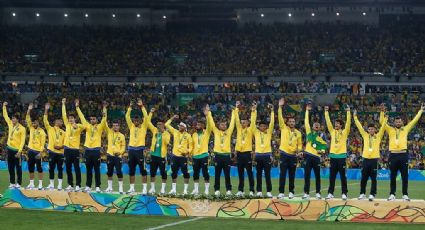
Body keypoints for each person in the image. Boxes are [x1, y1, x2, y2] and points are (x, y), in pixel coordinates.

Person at [379, 103, 424, 201]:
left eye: (399, 122)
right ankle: (392, 194)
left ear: (402, 122)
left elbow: (415, 120)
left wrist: (421, 110)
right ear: (394, 123)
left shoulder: (406, 129)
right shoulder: (390, 129)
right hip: (393, 155)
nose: (398, 123)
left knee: (404, 176)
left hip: (403, 155)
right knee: (393, 176)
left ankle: (405, 194)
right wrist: (382, 112)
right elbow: (381, 122)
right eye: (397, 122)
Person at [354, 109, 386, 201]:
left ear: (375, 130)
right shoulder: (365, 135)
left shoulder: (378, 136)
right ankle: (362, 193)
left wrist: (385, 117)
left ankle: (372, 194)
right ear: (367, 130)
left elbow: (383, 126)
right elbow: (359, 126)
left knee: (373, 179)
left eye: (372, 129)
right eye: (369, 129)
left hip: (374, 160)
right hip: (365, 160)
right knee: (363, 178)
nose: (371, 130)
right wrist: (355, 117)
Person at [76, 99, 107, 193]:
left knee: (97, 169)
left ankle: (98, 186)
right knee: (88, 169)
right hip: (88, 151)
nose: (92, 120)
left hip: (96, 150)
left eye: (94, 119)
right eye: (91, 119)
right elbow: (81, 117)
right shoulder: (87, 126)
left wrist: (105, 108)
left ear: (96, 120)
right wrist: (77, 107)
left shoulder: (100, 126)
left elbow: (104, 118)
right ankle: (88, 186)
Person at [206, 104, 236, 196]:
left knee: (227, 174)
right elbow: (211, 122)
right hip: (218, 156)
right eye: (221, 124)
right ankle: (217, 190)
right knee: (217, 174)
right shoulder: (216, 131)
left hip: (226, 156)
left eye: (224, 124)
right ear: (219, 126)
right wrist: (209, 112)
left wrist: (234, 112)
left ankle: (228, 190)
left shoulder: (229, 132)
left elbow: (232, 122)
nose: (223, 126)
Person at [277, 98, 302, 199]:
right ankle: (281, 192)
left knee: (292, 175)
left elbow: (300, 145)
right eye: (290, 121)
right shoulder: (283, 128)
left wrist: (299, 151)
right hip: (284, 154)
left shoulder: (298, 133)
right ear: (287, 123)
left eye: (293, 121)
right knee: (282, 174)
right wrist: (279, 107)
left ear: (295, 123)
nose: (291, 122)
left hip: (293, 156)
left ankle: (291, 191)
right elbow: (279, 118)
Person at [325, 104, 351, 200]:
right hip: (333, 157)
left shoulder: (344, 132)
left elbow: (348, 123)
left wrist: (348, 112)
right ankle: (330, 193)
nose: (335, 124)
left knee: (343, 177)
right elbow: (328, 122)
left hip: (341, 157)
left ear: (341, 125)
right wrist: (326, 112)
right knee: (332, 177)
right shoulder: (332, 131)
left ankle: (344, 193)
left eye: (337, 123)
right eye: (335, 123)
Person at [125, 99, 151, 194]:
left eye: (137, 120)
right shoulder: (131, 126)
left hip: (140, 150)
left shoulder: (143, 126)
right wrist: (130, 107)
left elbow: (147, 117)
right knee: (131, 170)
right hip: (131, 150)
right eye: (134, 120)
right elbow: (127, 116)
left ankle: (144, 189)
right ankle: (132, 188)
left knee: (142, 170)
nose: (136, 121)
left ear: (140, 120)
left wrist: (142, 106)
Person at [303, 103, 327, 200]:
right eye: (315, 124)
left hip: (317, 157)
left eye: (318, 125)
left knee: (317, 176)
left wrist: (321, 151)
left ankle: (318, 193)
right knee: (307, 176)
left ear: (320, 127)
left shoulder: (322, 135)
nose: (316, 125)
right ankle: (306, 193)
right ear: (312, 126)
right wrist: (307, 111)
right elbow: (306, 122)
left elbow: (324, 146)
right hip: (308, 156)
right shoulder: (309, 132)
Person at [165, 114, 193, 195]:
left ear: (184, 128)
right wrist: (172, 118)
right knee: (174, 173)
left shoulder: (188, 136)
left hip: (183, 157)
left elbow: (191, 146)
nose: (179, 127)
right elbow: (166, 124)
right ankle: (173, 189)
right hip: (174, 156)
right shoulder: (175, 132)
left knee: (185, 173)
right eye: (179, 126)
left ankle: (185, 190)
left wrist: (187, 152)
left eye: (181, 126)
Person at [252, 103, 275, 198]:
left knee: (267, 174)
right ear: (259, 127)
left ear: (266, 127)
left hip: (266, 155)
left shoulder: (268, 132)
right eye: (260, 126)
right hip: (258, 155)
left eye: (264, 126)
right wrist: (254, 111)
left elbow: (272, 122)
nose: (262, 127)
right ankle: (259, 191)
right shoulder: (256, 132)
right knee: (258, 175)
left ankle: (269, 191)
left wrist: (272, 111)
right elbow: (252, 123)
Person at [62, 98, 85, 191]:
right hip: (67, 149)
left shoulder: (79, 126)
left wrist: (77, 125)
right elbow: (63, 115)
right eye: (69, 118)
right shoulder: (67, 125)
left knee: (76, 168)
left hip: (75, 150)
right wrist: (63, 104)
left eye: (72, 118)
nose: (70, 119)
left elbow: (85, 126)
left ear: (75, 119)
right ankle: (70, 184)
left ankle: (78, 185)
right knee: (68, 168)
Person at [3, 102, 26, 189]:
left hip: (17, 151)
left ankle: (19, 184)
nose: (12, 120)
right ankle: (12, 183)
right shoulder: (10, 124)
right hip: (9, 149)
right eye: (12, 118)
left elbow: (22, 141)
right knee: (10, 167)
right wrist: (4, 106)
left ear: (17, 120)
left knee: (18, 167)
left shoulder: (22, 129)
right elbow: (5, 116)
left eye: (14, 118)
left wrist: (20, 151)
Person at [147, 108, 170, 195]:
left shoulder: (167, 134)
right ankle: (152, 188)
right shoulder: (154, 130)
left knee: (163, 173)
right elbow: (148, 122)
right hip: (153, 155)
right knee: (152, 172)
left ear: (163, 125)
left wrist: (163, 132)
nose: (158, 126)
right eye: (157, 124)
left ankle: (163, 189)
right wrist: (151, 113)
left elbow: (167, 142)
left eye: (160, 124)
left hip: (162, 156)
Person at [234, 101, 255, 197]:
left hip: (247, 154)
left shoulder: (250, 129)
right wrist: (236, 108)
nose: (242, 123)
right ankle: (240, 190)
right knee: (240, 173)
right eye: (242, 122)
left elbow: (253, 120)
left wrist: (253, 111)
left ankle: (251, 190)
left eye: (244, 122)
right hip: (239, 154)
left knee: (250, 173)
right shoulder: (239, 129)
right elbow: (236, 119)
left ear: (247, 123)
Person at [44, 102, 66, 191]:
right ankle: (51, 184)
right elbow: (45, 120)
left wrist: (60, 147)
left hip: (60, 153)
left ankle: (60, 185)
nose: (60, 122)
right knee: (51, 168)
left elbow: (66, 143)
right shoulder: (50, 129)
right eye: (58, 121)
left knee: (60, 169)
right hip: (52, 152)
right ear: (55, 122)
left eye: (61, 121)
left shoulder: (64, 132)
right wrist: (46, 109)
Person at [190, 107, 212, 195]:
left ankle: (206, 190)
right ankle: (196, 190)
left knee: (205, 173)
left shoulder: (206, 132)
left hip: (203, 155)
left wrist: (207, 115)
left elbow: (210, 124)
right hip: (195, 156)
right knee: (195, 173)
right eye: (197, 125)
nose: (197, 126)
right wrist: (190, 153)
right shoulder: (194, 134)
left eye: (199, 125)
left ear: (203, 126)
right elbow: (192, 145)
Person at [25, 103, 47, 190]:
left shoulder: (42, 131)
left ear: (38, 122)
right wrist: (29, 109)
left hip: (38, 152)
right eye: (33, 122)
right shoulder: (31, 128)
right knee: (30, 167)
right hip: (30, 151)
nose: (34, 123)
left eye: (35, 122)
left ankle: (40, 184)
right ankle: (31, 184)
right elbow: (27, 118)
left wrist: (41, 153)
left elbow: (43, 143)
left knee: (39, 168)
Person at [104, 118, 126, 194]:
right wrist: (104, 112)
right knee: (109, 172)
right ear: (112, 126)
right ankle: (110, 187)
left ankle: (121, 188)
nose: (115, 127)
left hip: (118, 156)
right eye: (114, 126)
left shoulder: (122, 136)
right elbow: (104, 123)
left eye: (116, 126)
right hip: (110, 155)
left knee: (119, 172)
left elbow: (123, 147)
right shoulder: (109, 132)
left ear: (119, 126)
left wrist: (120, 152)